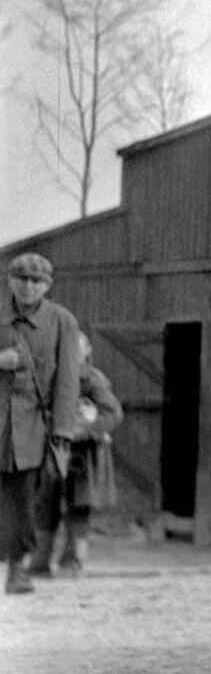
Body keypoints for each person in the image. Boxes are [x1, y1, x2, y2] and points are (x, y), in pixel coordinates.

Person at [1, 253, 81, 595]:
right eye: (21, 278)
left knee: (22, 500)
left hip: (32, 427)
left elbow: (68, 380)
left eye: (37, 281)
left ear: (47, 286)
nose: (28, 286)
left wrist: (62, 429)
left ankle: (16, 568)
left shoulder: (62, 321)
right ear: (9, 280)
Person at [31, 331, 121, 578]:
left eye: (76, 350)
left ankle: (72, 563)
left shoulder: (92, 380)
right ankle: (39, 562)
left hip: (83, 456)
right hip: (54, 452)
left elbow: (113, 414)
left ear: (87, 352)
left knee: (78, 507)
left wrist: (83, 430)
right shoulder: (50, 377)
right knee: (45, 504)